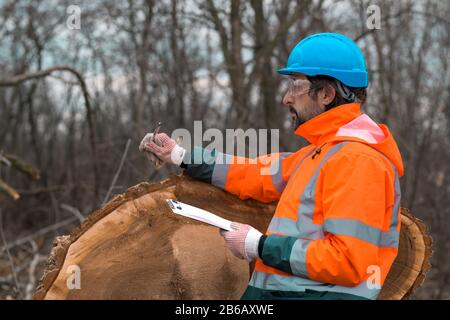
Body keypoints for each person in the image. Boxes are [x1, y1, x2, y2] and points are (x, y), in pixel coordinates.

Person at [139, 33, 403, 300]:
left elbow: (346, 261)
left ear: (326, 94)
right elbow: (253, 174)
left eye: (295, 86)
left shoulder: (359, 161)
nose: (286, 99)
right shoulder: (319, 155)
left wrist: (260, 246)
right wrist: (180, 154)